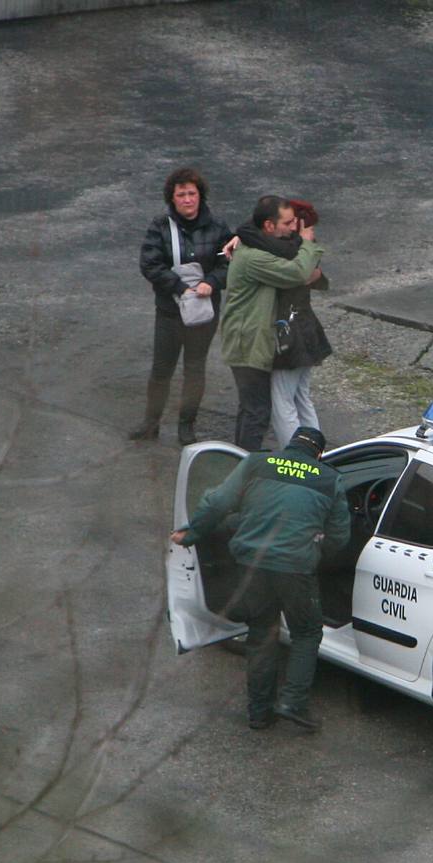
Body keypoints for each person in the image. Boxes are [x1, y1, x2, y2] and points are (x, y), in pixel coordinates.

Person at [170, 427, 349, 731]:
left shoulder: (257, 463)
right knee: (306, 632)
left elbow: (217, 503)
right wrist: (315, 554)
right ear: (318, 454)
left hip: (251, 565)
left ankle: (259, 713)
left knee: (262, 633)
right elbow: (340, 537)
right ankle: (292, 702)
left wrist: (193, 533)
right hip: (295, 570)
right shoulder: (330, 479)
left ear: (288, 445)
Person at [132, 168, 233, 445]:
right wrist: (179, 287)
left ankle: (186, 427)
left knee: (194, 369)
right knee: (161, 370)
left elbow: (230, 262)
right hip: (169, 312)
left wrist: (212, 281)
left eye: (192, 194)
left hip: (203, 313)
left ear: (200, 196)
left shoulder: (218, 227)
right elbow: (150, 264)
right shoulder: (160, 226)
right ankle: (150, 424)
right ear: (172, 198)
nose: (188, 199)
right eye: (181, 195)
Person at [218, 196, 323, 450]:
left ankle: (244, 461)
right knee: (258, 411)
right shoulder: (255, 257)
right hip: (248, 344)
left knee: (254, 409)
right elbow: (297, 273)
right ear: (267, 226)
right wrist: (308, 245)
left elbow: (308, 273)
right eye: (287, 224)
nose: (292, 229)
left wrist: (241, 235)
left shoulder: (262, 244)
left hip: (251, 340)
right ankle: (249, 467)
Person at [268, 199, 332, 449]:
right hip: (306, 329)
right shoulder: (305, 249)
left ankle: (294, 457)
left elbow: (302, 275)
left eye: (290, 220)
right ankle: (315, 452)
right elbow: (315, 277)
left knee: (283, 402)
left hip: (291, 333)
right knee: (302, 397)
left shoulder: (290, 249)